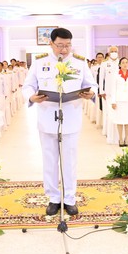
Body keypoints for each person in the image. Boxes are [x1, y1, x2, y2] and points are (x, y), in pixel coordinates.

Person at [23, 28, 97, 216]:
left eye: (67, 45)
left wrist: (91, 93)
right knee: (50, 160)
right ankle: (54, 198)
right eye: (60, 45)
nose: (64, 50)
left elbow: (92, 84)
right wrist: (31, 97)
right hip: (47, 116)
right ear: (51, 44)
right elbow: (28, 84)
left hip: (71, 117)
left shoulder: (79, 62)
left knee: (69, 160)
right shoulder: (40, 62)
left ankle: (70, 198)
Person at [107, 57, 128, 147]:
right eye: (123, 62)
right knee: (119, 120)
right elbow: (113, 89)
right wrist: (113, 101)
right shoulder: (116, 75)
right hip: (119, 101)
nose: (125, 64)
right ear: (119, 65)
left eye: (126, 62)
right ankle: (120, 139)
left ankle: (126, 139)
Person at [98, 46, 120, 142]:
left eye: (115, 51)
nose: (114, 53)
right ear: (109, 53)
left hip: (119, 92)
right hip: (108, 92)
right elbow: (101, 78)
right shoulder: (105, 64)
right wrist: (101, 91)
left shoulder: (122, 62)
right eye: (112, 51)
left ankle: (117, 133)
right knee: (108, 113)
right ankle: (108, 132)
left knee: (118, 112)